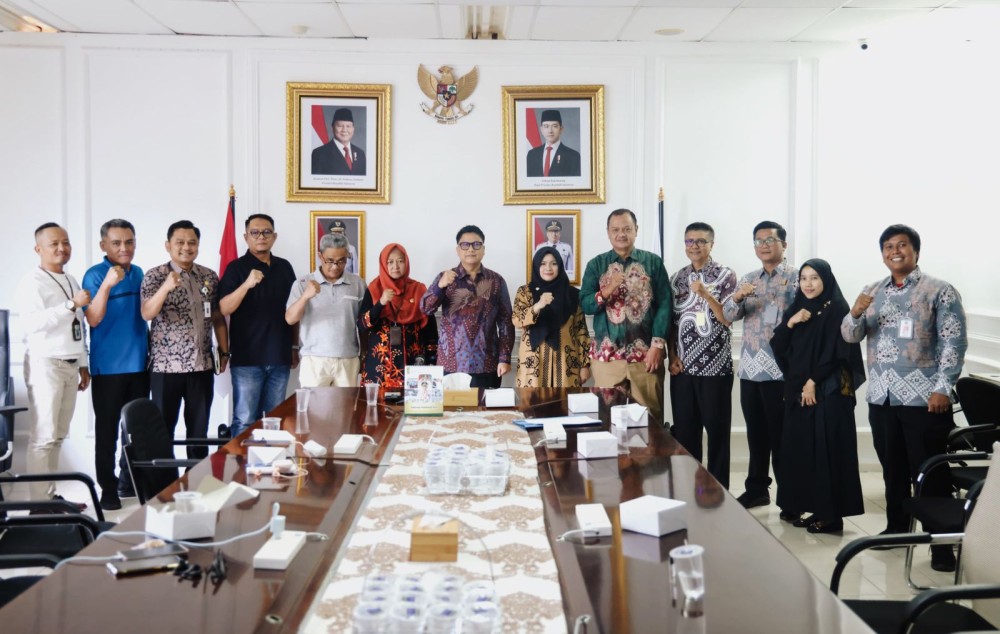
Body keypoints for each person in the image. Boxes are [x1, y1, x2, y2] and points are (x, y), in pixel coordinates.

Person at [841, 224, 967, 572]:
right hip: (882, 397)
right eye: (888, 246)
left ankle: (942, 544)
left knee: (930, 473)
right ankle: (896, 528)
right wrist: (855, 311)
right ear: (882, 254)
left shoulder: (939, 290)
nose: (894, 251)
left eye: (901, 245)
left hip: (925, 399)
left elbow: (953, 342)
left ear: (915, 251)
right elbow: (850, 336)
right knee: (892, 469)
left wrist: (943, 387)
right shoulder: (872, 291)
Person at [770, 259, 866, 534]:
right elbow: (779, 346)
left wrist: (813, 382)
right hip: (800, 390)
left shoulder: (837, 309)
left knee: (828, 452)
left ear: (826, 279)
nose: (808, 284)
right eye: (803, 278)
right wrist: (790, 322)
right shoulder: (798, 307)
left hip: (830, 390)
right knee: (804, 450)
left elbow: (837, 352)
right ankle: (814, 507)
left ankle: (832, 517)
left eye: (814, 278)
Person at [722, 221, 798, 516]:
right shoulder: (749, 279)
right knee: (756, 435)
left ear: (784, 245)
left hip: (781, 371)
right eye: (758, 241)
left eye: (770, 240)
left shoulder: (796, 278)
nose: (763, 246)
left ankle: (790, 498)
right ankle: (757, 490)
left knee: (782, 438)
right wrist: (738, 296)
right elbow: (729, 315)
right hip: (751, 369)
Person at [15, 223, 91, 508]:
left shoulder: (70, 279)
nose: (62, 248)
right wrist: (71, 305)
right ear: (39, 249)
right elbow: (33, 324)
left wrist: (83, 363)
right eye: (54, 244)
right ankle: (39, 506)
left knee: (58, 436)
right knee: (44, 438)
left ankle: (50, 498)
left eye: (66, 242)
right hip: (45, 364)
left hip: (70, 364)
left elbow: (78, 326)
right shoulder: (32, 282)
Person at [141, 221, 228, 460]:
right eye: (180, 242)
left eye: (192, 242)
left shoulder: (208, 276)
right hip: (166, 368)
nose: (186, 247)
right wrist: (166, 287)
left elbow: (218, 317)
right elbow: (147, 313)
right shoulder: (155, 275)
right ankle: (165, 480)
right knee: (162, 432)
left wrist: (224, 351)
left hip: (201, 366)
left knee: (199, 433)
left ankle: (195, 477)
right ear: (168, 245)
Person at [82, 219, 148, 510]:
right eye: (117, 243)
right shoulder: (94, 275)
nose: (124, 248)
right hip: (107, 368)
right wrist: (108, 284)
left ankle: (128, 481)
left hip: (139, 365)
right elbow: (93, 318)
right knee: (107, 431)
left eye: (129, 242)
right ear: (103, 246)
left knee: (135, 431)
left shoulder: (139, 273)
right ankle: (107, 489)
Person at [580, 209, 671, 419]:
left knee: (650, 419)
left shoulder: (653, 262)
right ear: (608, 232)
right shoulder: (596, 265)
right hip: (607, 357)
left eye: (627, 229)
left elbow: (665, 305)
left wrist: (658, 345)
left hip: (646, 356)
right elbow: (585, 304)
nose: (621, 234)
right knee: (607, 418)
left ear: (636, 230)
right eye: (615, 230)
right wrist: (607, 291)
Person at [668, 222, 737, 488]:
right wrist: (671, 355)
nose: (694, 246)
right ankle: (689, 489)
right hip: (682, 369)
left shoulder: (725, 275)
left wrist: (706, 294)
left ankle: (719, 492)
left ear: (711, 244)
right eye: (689, 241)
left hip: (715, 369)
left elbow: (727, 318)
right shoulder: (677, 278)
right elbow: (671, 323)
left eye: (700, 241)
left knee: (717, 433)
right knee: (685, 434)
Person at [219, 214, 298, 438]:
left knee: (274, 420)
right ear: (246, 237)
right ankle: (240, 462)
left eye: (266, 232)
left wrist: (294, 347)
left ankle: (270, 461)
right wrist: (246, 285)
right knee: (245, 419)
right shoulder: (236, 268)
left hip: (279, 356)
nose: (261, 236)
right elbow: (224, 308)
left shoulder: (285, 267)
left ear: (274, 236)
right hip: (247, 359)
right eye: (255, 232)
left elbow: (294, 310)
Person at [420, 225, 514, 389]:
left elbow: (506, 321)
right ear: (458, 250)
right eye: (465, 245)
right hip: (451, 365)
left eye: (476, 244)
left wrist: (504, 358)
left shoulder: (496, 281)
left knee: (485, 406)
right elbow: (426, 309)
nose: (471, 249)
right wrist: (440, 286)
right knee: (452, 407)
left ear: (483, 249)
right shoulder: (446, 277)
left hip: (487, 364)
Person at [286, 233, 366, 387]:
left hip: (348, 359)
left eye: (341, 261)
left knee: (346, 403)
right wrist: (305, 297)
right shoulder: (302, 283)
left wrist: (364, 354)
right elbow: (290, 319)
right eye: (330, 261)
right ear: (320, 256)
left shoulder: (358, 284)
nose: (335, 266)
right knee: (313, 403)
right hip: (314, 360)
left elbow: (364, 323)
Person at [358, 243, 438, 391]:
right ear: (384, 264)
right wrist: (380, 303)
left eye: (400, 261)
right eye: (390, 262)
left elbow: (430, 329)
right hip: (379, 367)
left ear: (406, 262)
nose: (395, 266)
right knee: (378, 405)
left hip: (414, 364)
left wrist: (432, 360)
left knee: (413, 403)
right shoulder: (374, 289)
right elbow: (362, 325)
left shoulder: (418, 289)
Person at [512, 247, 591, 388]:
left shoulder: (572, 294)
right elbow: (517, 320)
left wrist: (585, 365)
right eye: (543, 263)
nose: (548, 268)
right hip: (533, 363)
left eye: (553, 263)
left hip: (566, 362)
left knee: (565, 400)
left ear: (560, 266)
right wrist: (537, 306)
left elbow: (581, 331)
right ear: (536, 266)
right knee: (532, 400)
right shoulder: (525, 292)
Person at [311, 108, 367, 176]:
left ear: (353, 129)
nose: (344, 130)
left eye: (348, 126)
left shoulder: (360, 154)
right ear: (332, 128)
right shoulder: (319, 154)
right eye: (340, 126)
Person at [526, 110, 582, 178]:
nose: (550, 131)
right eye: (546, 126)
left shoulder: (573, 156)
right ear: (541, 129)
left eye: (554, 126)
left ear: (561, 129)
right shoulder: (532, 155)